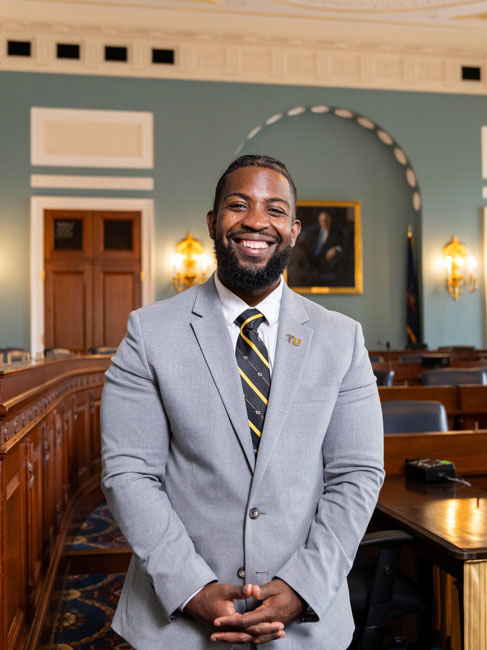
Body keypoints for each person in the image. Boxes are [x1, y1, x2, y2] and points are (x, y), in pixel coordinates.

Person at [101, 154, 384, 648]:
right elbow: (129, 474)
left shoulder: (343, 339)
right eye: (238, 205)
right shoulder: (148, 332)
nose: (256, 221)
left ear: (293, 230)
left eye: (275, 210)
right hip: (177, 622)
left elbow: (357, 474)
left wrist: (303, 586)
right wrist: (192, 587)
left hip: (305, 625)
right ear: (213, 222)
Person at [293, 209, 351, 286]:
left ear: (329, 220)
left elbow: (343, 245)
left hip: (324, 259)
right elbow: (305, 244)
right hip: (311, 257)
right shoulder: (314, 233)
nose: (323, 222)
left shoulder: (336, 233)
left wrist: (336, 249)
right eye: (321, 220)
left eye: (325, 220)